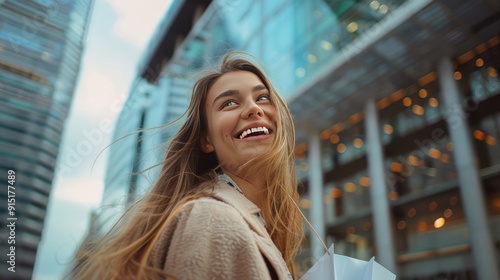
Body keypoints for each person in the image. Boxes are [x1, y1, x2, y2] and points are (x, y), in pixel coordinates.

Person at [70, 51, 304, 279]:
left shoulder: (252, 222)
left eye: (262, 98)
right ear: (207, 140)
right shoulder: (212, 217)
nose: (255, 108)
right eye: (229, 103)